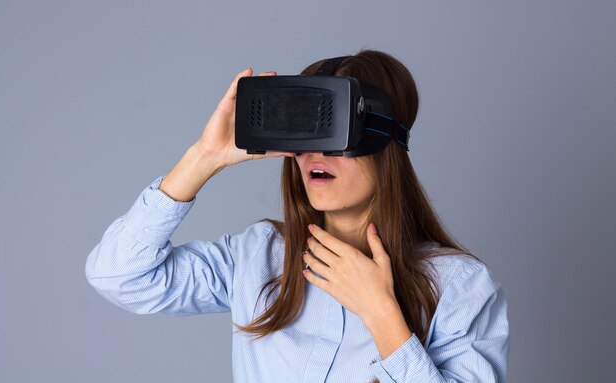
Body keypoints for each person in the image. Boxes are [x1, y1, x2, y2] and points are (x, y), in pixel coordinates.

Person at [85, 49, 510, 382]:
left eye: (332, 130)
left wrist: (380, 312)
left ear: (383, 142)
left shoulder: (459, 286)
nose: (313, 154)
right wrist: (204, 158)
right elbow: (119, 276)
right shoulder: (257, 258)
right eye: (303, 133)